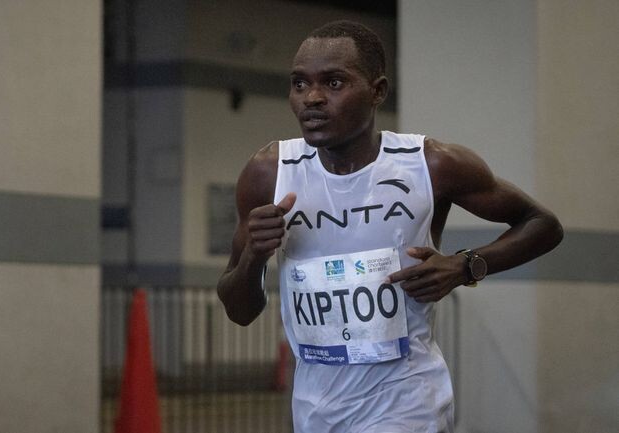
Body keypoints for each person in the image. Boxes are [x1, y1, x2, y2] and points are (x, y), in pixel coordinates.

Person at [216, 20, 563, 433]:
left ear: (377, 91)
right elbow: (239, 311)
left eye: (333, 83)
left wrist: (465, 266)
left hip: (408, 401)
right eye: (299, 84)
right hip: (315, 407)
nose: (312, 98)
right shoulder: (268, 173)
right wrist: (255, 256)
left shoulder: (431, 164)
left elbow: (543, 225)